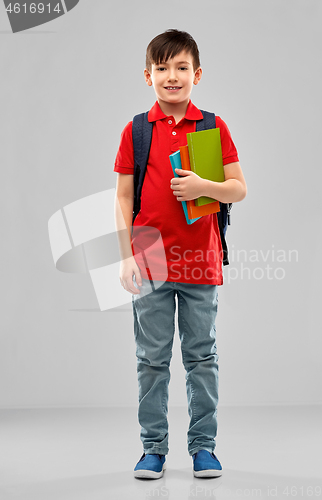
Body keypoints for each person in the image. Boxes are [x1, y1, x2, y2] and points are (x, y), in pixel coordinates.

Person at [114, 29, 247, 479]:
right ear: (147, 75)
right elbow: (122, 198)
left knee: (201, 357)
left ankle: (204, 448)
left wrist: (201, 187)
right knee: (151, 360)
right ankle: (153, 449)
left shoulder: (213, 126)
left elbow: (238, 188)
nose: (172, 76)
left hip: (200, 260)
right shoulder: (136, 130)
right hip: (148, 260)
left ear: (197, 74)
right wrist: (125, 256)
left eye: (182, 67)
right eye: (163, 68)